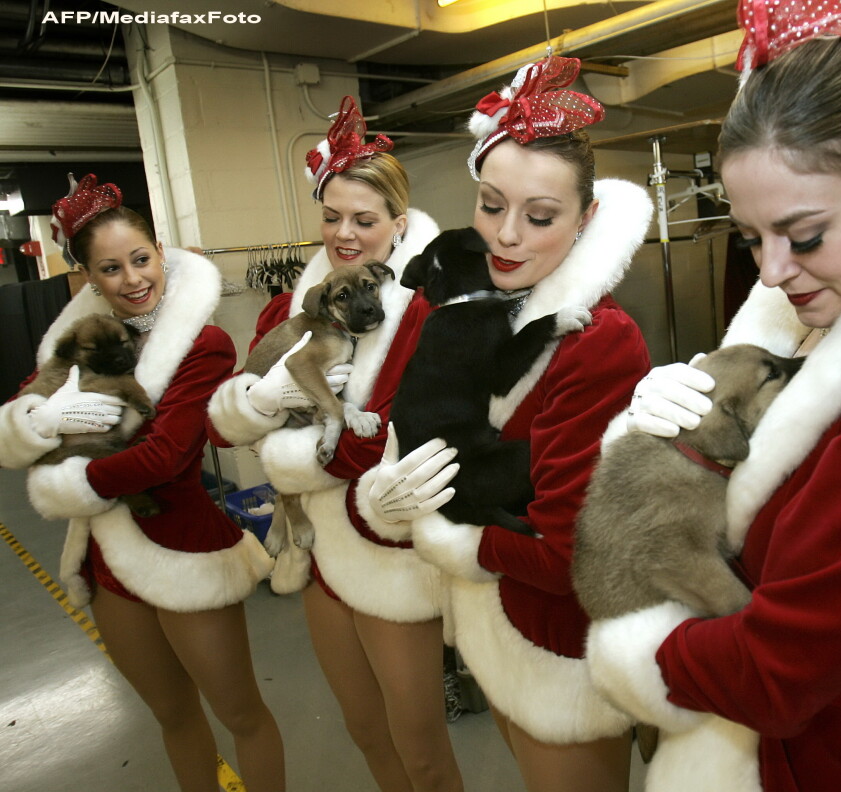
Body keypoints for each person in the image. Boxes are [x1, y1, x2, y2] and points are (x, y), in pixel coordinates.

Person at [580, 1, 841, 790]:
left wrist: (633, 648)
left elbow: (782, 669)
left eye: (804, 236)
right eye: (751, 238)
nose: (772, 271)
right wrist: (659, 450)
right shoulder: (806, 325)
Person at [353, 56, 654, 792]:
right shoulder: (463, 305)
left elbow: (561, 552)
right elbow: (414, 428)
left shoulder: (598, 339)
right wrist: (385, 493)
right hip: (493, 622)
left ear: (584, 221)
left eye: (541, 216)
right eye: (491, 205)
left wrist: (450, 536)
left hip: (563, 648)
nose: (506, 236)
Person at [206, 96, 458, 792]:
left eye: (365, 220)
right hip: (322, 554)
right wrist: (258, 402)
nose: (344, 234)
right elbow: (223, 424)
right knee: (365, 732)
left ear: (398, 225)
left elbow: (368, 452)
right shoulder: (284, 310)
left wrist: (287, 447)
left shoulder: (424, 314)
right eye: (331, 216)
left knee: (425, 753)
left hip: (390, 555)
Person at [0, 174, 285, 792]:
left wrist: (71, 476)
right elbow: (21, 422)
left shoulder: (201, 342)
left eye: (141, 259)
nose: (132, 279)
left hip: (184, 547)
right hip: (105, 557)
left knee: (239, 713)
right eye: (110, 268)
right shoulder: (80, 341)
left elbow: (164, 455)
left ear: (160, 253)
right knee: (172, 714)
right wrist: (36, 419)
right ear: (88, 277)